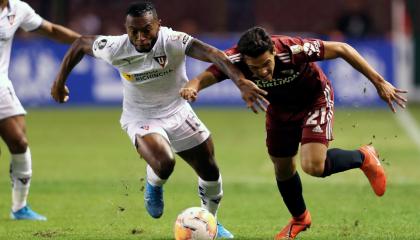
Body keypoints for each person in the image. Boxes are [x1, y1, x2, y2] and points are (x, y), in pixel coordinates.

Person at [50, 2, 264, 238]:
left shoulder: (172, 40)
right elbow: (81, 43)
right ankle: (154, 184)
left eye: (146, 30)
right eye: (134, 32)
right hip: (140, 116)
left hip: (179, 111)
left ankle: (210, 221)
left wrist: (240, 81)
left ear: (158, 26)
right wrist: (59, 82)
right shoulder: (115, 47)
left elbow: (213, 54)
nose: (140, 37)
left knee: (210, 170)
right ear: (126, 28)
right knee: (164, 162)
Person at [180, 27, 407, 239]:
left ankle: (364, 156)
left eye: (266, 63)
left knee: (313, 166)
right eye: (255, 68)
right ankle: (300, 219)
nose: (262, 71)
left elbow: (342, 49)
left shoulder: (292, 49)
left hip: (314, 100)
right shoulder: (235, 60)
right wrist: (193, 87)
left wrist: (379, 82)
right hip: (278, 109)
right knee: (282, 166)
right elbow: (202, 77)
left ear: (273, 52)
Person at [0, 0, 80, 220]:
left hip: (1, 87)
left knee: (19, 142)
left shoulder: (17, 9)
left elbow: (51, 30)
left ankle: (19, 208)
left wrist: (85, 42)